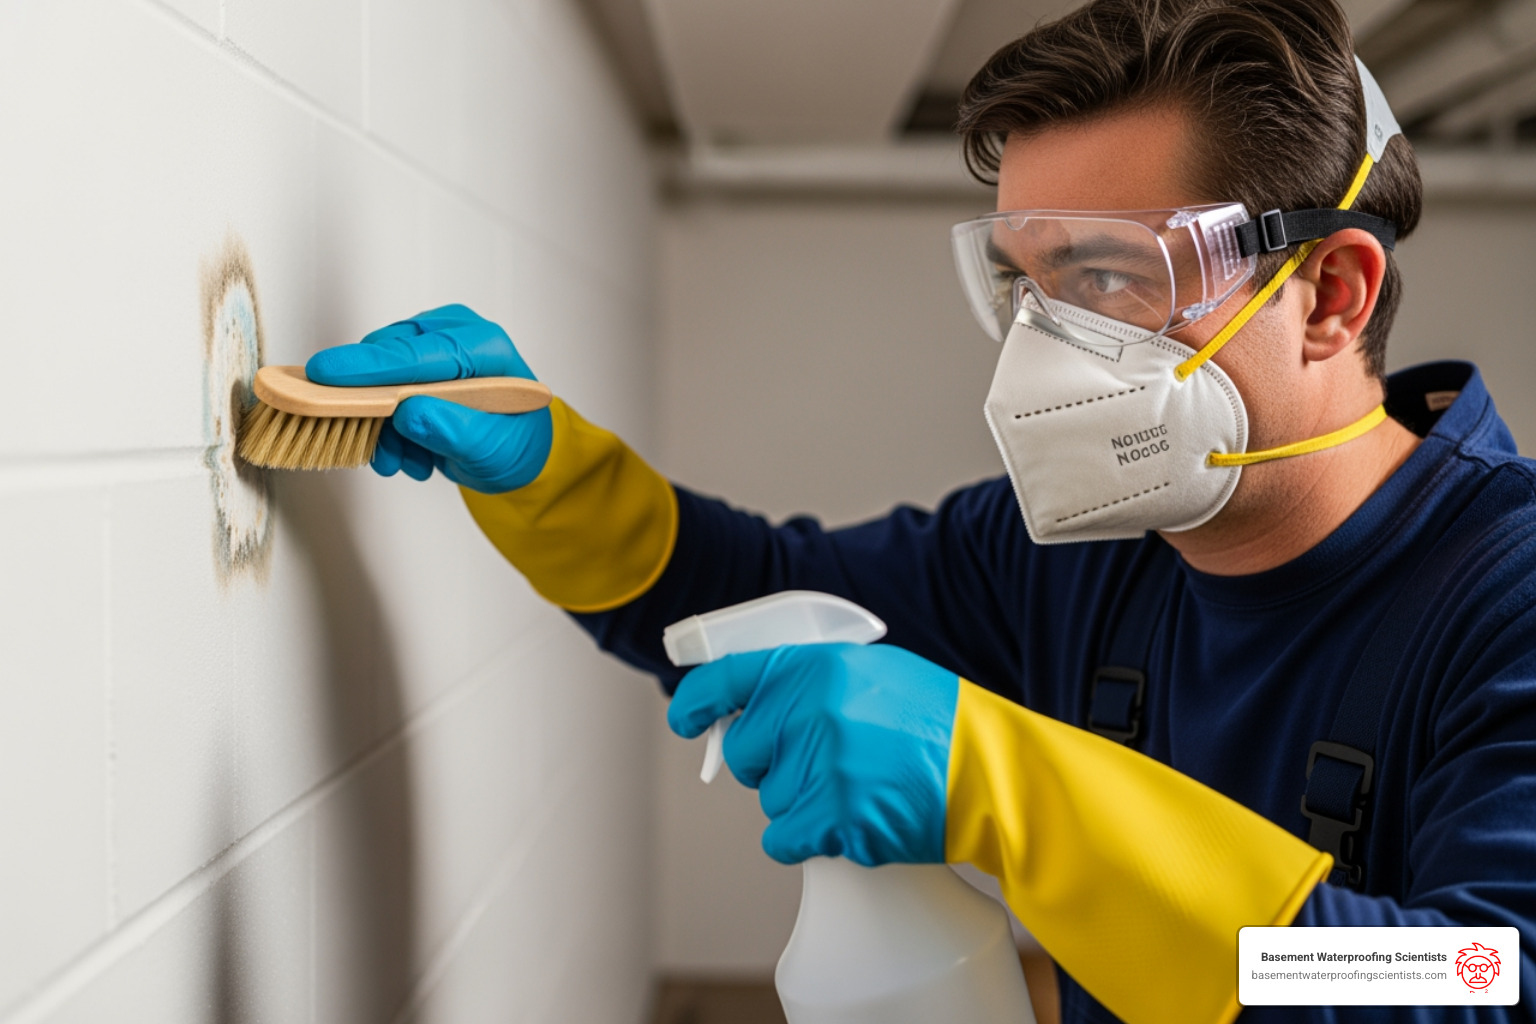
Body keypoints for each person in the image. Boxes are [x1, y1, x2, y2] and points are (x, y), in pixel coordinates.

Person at [304, 1, 1536, 1021]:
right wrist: (548, 470)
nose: (1051, 348)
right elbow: (758, 594)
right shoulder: (1081, 552)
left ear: (1328, 291)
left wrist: (1014, 793)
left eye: (1108, 273)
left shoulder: (1504, 596)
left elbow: (1484, 978)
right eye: (1027, 285)